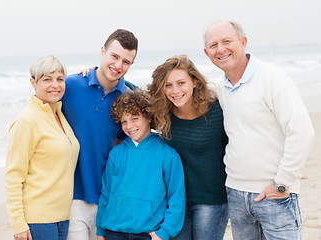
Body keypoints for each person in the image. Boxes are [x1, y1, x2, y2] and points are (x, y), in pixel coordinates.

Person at [204, 20, 315, 240]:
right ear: (207, 53)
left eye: (227, 41)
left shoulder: (273, 79)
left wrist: (282, 183)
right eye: (214, 45)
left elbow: (302, 132)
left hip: (275, 195)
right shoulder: (221, 88)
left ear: (243, 42)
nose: (221, 49)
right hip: (236, 195)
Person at [61, 29, 138, 240]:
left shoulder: (127, 99)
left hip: (108, 197)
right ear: (103, 51)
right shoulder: (70, 85)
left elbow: (125, 143)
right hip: (71, 195)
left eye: (126, 61)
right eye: (114, 56)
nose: (118, 65)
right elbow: (41, 115)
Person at [147, 55, 228, 240]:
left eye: (181, 83)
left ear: (194, 82)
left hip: (211, 200)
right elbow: (132, 93)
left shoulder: (217, 110)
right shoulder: (162, 113)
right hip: (176, 203)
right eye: (168, 85)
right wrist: (98, 72)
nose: (175, 91)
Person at [5, 55, 80, 240]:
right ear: (33, 82)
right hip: (38, 220)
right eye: (47, 79)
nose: (55, 85)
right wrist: (18, 224)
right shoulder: (27, 121)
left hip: (62, 217)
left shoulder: (59, 116)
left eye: (60, 79)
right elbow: (13, 177)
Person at [96, 90, 186, 240]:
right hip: (114, 232)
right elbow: (106, 193)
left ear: (149, 117)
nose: (129, 126)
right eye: (124, 121)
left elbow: (177, 198)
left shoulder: (168, 155)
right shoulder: (116, 154)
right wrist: (100, 230)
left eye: (134, 118)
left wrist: (164, 232)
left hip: (148, 234)